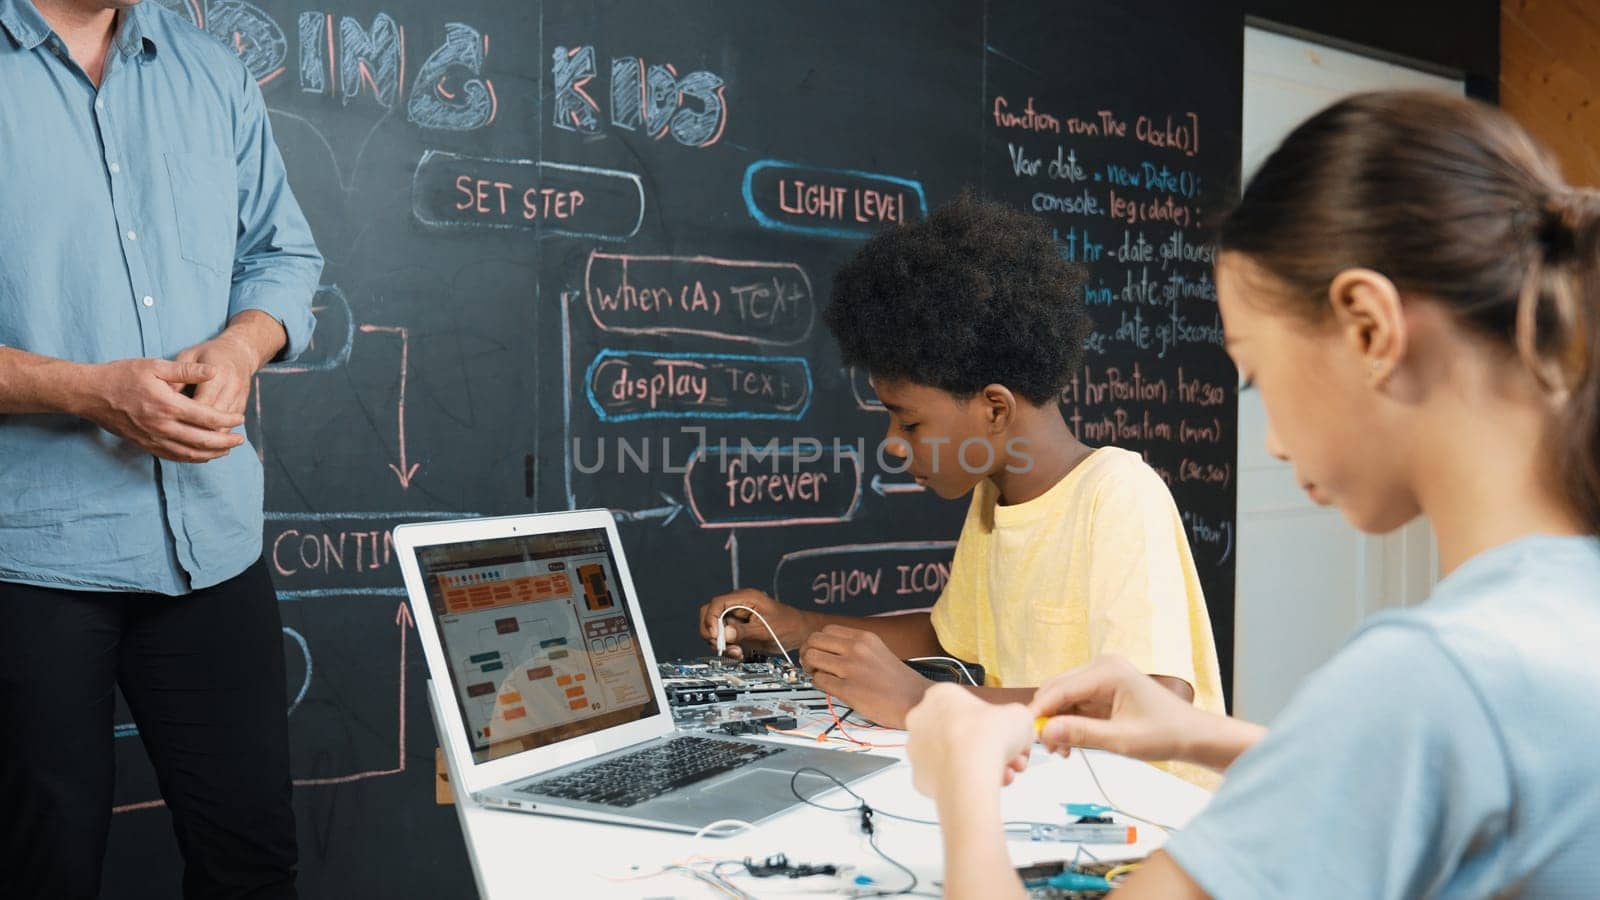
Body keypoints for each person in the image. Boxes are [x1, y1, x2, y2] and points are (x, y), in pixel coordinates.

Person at [905, 91, 1600, 898]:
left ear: (1369, 327)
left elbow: (1418, 727)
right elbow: (1432, 769)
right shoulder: (1551, 615)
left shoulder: (1430, 675)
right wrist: (1203, 736)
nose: (1269, 438)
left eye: (1256, 374)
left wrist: (961, 770)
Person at [696, 193, 1225, 781]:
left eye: (910, 421)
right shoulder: (993, 501)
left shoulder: (1118, 492)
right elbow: (948, 637)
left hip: (1149, 830)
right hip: (1054, 806)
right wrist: (795, 626)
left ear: (994, 410)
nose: (892, 444)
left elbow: (1153, 703)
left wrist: (923, 701)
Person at [0, 0, 321, 896]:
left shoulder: (212, 73)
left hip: (210, 546)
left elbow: (283, 256)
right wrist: (84, 391)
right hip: (28, 560)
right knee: (42, 871)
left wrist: (241, 345)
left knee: (253, 862)